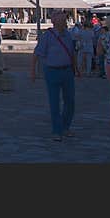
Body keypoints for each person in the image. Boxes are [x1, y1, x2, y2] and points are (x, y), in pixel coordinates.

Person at [31, 10, 80, 141]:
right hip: (52, 71)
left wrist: (76, 68)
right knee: (54, 102)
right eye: (62, 19)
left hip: (67, 71)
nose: (65, 21)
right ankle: (57, 130)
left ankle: (65, 126)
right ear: (54, 21)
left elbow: (72, 52)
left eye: (65, 19)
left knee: (70, 101)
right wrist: (33, 72)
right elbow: (37, 54)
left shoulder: (68, 36)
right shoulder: (47, 36)